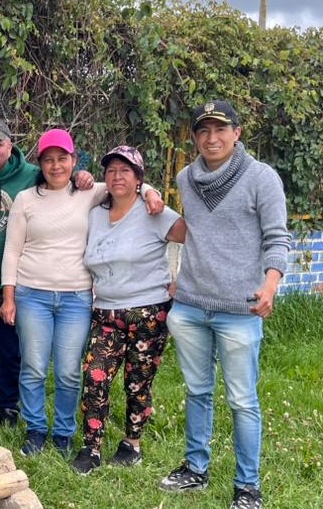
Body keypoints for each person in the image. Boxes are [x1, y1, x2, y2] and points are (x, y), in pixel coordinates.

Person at [158, 101, 290, 509]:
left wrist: (270, 285)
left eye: (220, 129)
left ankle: (247, 486)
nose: (211, 138)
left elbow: (277, 238)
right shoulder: (185, 178)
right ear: (195, 137)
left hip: (240, 309)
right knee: (197, 391)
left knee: (242, 400)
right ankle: (195, 469)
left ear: (236, 133)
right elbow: (193, 230)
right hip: (190, 307)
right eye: (203, 130)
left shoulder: (261, 178)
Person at [0, 129, 162, 458]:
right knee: (33, 367)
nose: (55, 166)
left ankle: (63, 433)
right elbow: (12, 251)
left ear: (74, 161)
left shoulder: (90, 193)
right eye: (48, 160)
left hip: (76, 298)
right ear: (40, 164)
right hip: (32, 294)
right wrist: (9, 297)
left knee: (69, 371)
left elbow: (128, 184)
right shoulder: (26, 199)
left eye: (62, 159)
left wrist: (151, 192)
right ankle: (35, 430)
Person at [0, 119, 92, 425]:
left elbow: (62, 182)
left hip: (15, 282)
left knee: (11, 351)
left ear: (10, 146)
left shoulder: (31, 175)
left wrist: (81, 176)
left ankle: (9, 406)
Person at [69, 145, 187, 474]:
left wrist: (183, 281)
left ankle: (131, 444)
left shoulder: (155, 212)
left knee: (138, 381)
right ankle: (91, 447)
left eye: (126, 170)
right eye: (111, 170)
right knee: (95, 377)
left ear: (138, 178)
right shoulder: (95, 214)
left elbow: (196, 240)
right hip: (105, 312)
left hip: (148, 312)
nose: (117, 176)